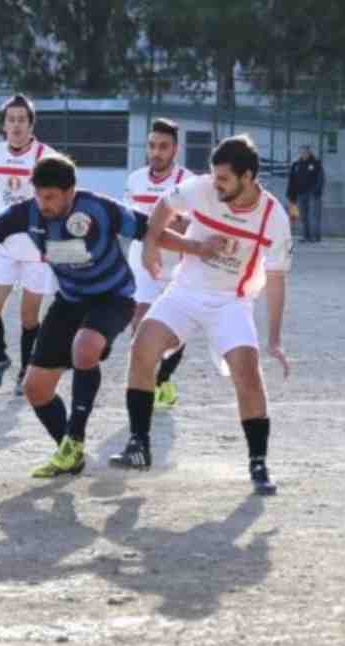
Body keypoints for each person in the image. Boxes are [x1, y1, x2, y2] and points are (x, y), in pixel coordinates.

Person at [0, 154, 212, 478]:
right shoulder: (25, 214)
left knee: (85, 348)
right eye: (39, 195)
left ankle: (75, 437)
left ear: (70, 192)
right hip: (70, 302)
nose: (42, 204)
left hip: (113, 299)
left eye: (50, 197)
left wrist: (197, 248)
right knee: (36, 388)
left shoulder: (99, 208)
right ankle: (69, 452)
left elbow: (151, 231)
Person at [110, 134, 293, 496]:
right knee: (142, 345)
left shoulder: (273, 217)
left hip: (231, 301)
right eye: (214, 176)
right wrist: (150, 245)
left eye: (224, 179)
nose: (216, 184)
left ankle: (258, 463)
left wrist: (274, 339)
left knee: (248, 374)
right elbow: (164, 206)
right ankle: (139, 444)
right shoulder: (201, 188)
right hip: (185, 292)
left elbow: (275, 280)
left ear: (248, 177)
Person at [0, 94, 58, 395]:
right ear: (4, 125)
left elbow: (62, 198)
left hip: (36, 250)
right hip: (4, 245)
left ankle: (25, 370)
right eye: (11, 119)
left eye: (22, 119)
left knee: (29, 316)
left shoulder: (47, 156)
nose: (17, 124)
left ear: (31, 124)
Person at [124, 118, 193, 410]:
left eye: (163, 147)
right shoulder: (135, 179)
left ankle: (163, 378)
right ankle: (146, 383)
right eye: (152, 146)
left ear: (174, 149)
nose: (156, 152)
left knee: (177, 331)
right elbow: (128, 219)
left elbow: (195, 226)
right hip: (143, 261)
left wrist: (179, 223)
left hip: (178, 265)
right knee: (140, 324)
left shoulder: (188, 182)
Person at [286, 145, 324, 243]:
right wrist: (290, 194)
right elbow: (292, 180)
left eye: (306, 152)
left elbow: (320, 179)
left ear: (309, 152)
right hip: (300, 194)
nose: (304, 154)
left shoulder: (316, 163)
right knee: (303, 216)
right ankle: (306, 236)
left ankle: (315, 237)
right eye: (302, 152)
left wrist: (316, 191)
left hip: (313, 194)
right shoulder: (296, 164)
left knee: (314, 216)